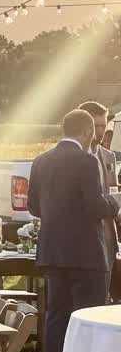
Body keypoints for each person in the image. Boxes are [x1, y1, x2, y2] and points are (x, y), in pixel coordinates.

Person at [29, 108, 121, 352]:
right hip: (86, 252)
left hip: (54, 250)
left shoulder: (41, 161)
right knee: (89, 315)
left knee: (56, 313)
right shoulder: (86, 161)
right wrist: (115, 202)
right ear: (85, 131)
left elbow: (33, 207)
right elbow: (96, 207)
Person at [77, 100, 121, 300]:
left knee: (103, 300)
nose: (101, 131)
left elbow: (112, 192)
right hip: (81, 243)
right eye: (97, 126)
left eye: (104, 125)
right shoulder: (73, 158)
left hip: (108, 240)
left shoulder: (108, 156)